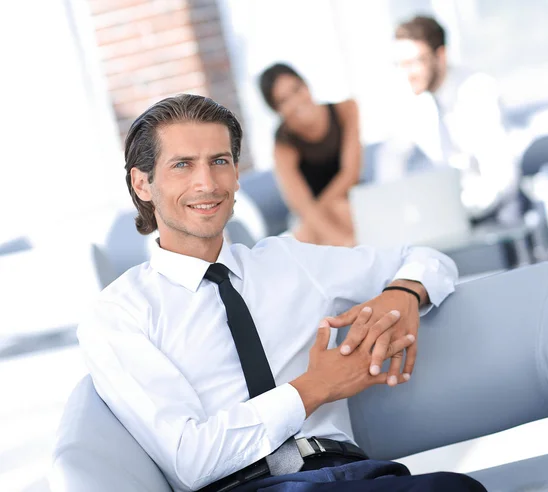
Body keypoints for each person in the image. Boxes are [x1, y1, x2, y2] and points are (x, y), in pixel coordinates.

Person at [77, 94, 486, 491]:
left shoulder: (289, 262)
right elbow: (190, 459)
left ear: (237, 175)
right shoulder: (120, 313)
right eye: (182, 165)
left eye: (220, 161)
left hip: (348, 471)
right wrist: (314, 387)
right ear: (142, 184)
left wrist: (403, 294)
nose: (206, 182)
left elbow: (428, 258)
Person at [377, 16, 520, 225]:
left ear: (440, 56)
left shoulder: (477, 91)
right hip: (446, 216)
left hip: (494, 216)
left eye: (415, 62)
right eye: (401, 64)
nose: (407, 73)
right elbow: (390, 161)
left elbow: (501, 178)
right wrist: (398, 208)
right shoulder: (411, 99)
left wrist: (455, 210)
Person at [259, 63, 360, 246]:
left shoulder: (346, 109)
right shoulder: (284, 143)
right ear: (277, 110)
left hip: (350, 202)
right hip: (309, 215)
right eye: (283, 100)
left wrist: (317, 214)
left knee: (341, 209)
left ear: (306, 85)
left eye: (296, 89)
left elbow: (350, 174)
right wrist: (343, 242)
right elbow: (300, 203)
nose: (296, 101)